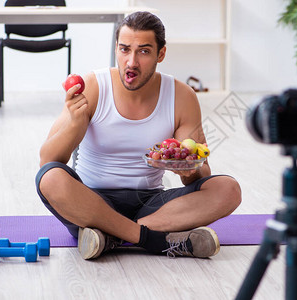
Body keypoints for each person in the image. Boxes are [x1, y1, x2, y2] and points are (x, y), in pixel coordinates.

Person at [35, 11, 241, 260]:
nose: (131, 61)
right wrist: (75, 122)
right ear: (116, 50)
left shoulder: (182, 96)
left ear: (160, 54)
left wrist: (190, 170)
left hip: (151, 204)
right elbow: (48, 159)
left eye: (143, 51)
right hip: (91, 200)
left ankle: (110, 237)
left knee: (228, 190)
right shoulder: (94, 86)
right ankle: (153, 240)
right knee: (50, 179)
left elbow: (200, 173)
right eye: (124, 49)